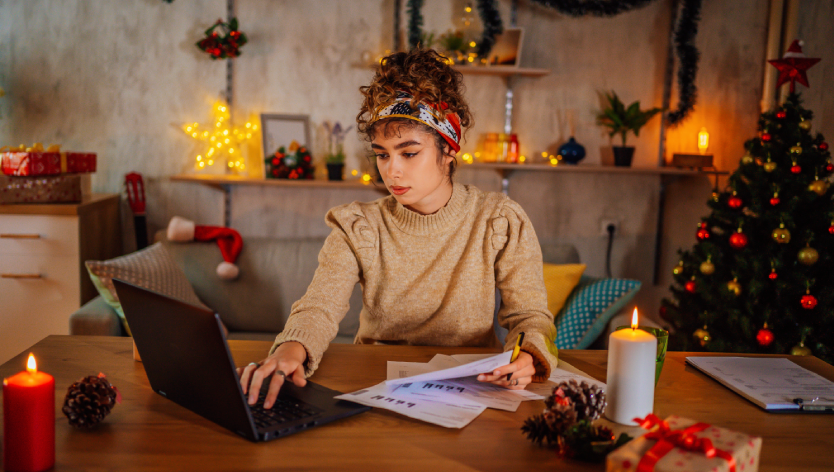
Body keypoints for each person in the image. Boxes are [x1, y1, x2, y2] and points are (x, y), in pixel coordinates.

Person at [239, 48, 558, 410]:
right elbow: (319, 307)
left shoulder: (498, 219)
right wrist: (290, 348)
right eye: (382, 154)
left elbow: (530, 317)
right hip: (378, 387)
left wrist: (528, 354)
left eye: (408, 153)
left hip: (472, 390)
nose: (391, 171)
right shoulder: (358, 225)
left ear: (447, 151)